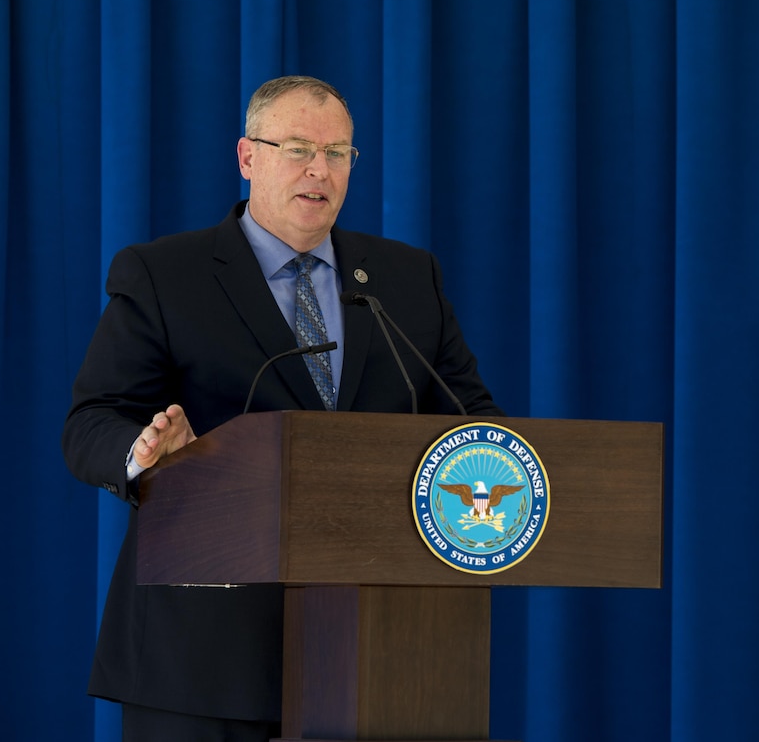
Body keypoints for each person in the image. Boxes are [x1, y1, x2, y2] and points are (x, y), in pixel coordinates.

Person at [62, 75, 502, 741]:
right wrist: (145, 455)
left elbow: (476, 428)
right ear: (248, 157)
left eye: (338, 153)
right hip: (201, 654)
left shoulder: (407, 280)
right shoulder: (164, 274)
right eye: (297, 148)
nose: (319, 170)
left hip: (381, 649)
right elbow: (91, 421)